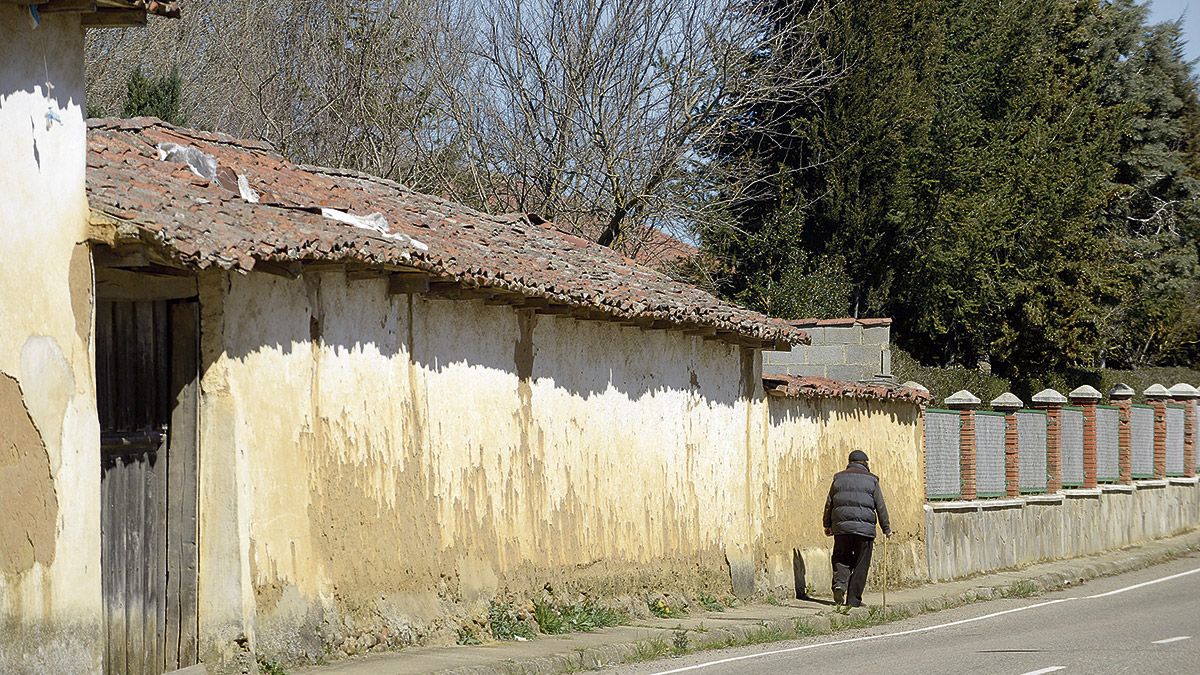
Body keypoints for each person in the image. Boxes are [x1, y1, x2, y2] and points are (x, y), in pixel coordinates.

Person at [822, 449, 891, 608]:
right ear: (865, 463)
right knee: (861, 563)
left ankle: (839, 584)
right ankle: (853, 600)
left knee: (841, 557)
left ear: (850, 462)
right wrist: (886, 528)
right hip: (864, 530)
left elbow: (829, 504)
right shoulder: (872, 480)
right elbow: (880, 506)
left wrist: (827, 525)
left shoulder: (838, 478)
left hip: (842, 528)